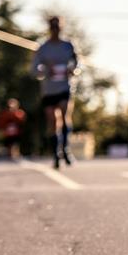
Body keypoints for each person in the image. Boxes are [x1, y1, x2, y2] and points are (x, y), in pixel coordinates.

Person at [32, 16, 77, 169]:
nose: (55, 30)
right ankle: (55, 154)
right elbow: (35, 69)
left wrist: (71, 70)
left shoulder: (68, 46)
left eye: (57, 27)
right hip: (49, 90)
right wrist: (45, 70)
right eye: (53, 27)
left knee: (64, 116)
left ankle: (65, 148)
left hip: (64, 87)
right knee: (52, 121)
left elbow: (75, 63)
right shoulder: (43, 48)